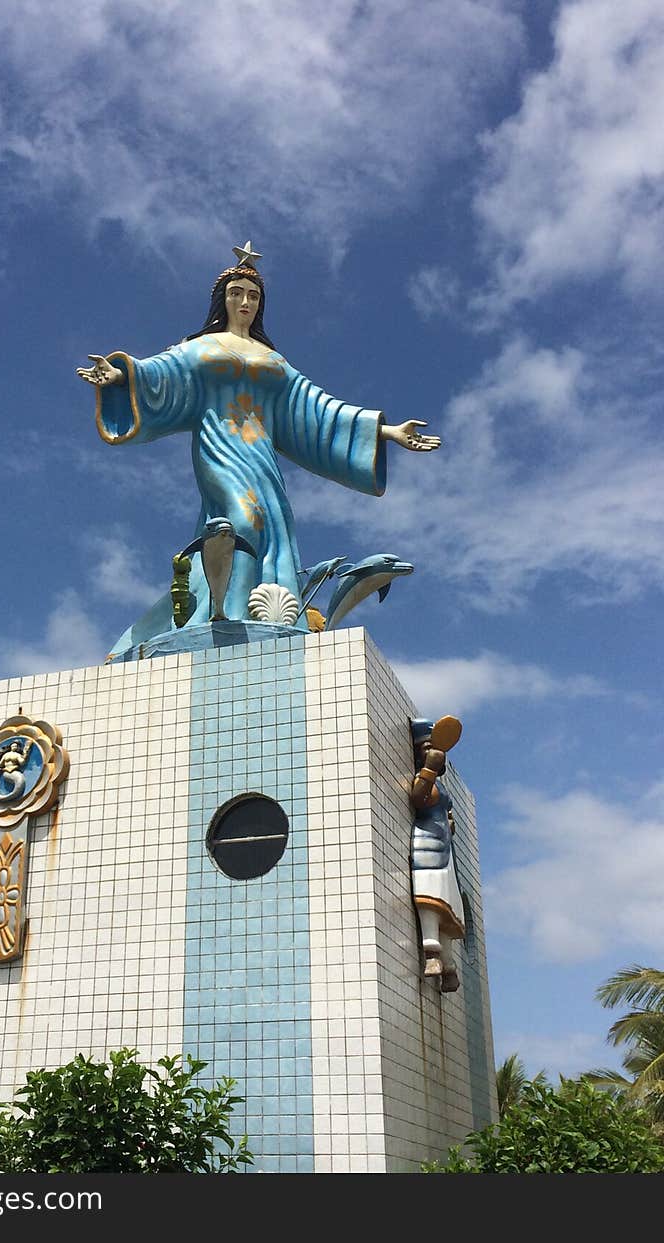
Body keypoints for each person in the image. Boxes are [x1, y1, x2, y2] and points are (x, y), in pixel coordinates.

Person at [77, 247, 440, 655]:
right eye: (237, 293)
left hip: (261, 455)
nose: (245, 302)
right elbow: (161, 371)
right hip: (220, 445)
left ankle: (267, 613)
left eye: (253, 295)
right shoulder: (203, 346)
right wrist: (120, 376)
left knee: (271, 525)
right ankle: (224, 615)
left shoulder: (273, 360)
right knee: (239, 520)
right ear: (223, 300)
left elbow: (317, 409)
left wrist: (387, 431)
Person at [409, 717, 465, 993]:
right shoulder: (425, 778)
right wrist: (429, 768)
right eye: (427, 748)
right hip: (426, 846)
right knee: (428, 898)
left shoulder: (444, 790)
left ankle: (450, 965)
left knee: (445, 907)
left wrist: (451, 821)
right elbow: (418, 798)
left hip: (446, 852)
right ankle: (431, 953)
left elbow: (448, 813)